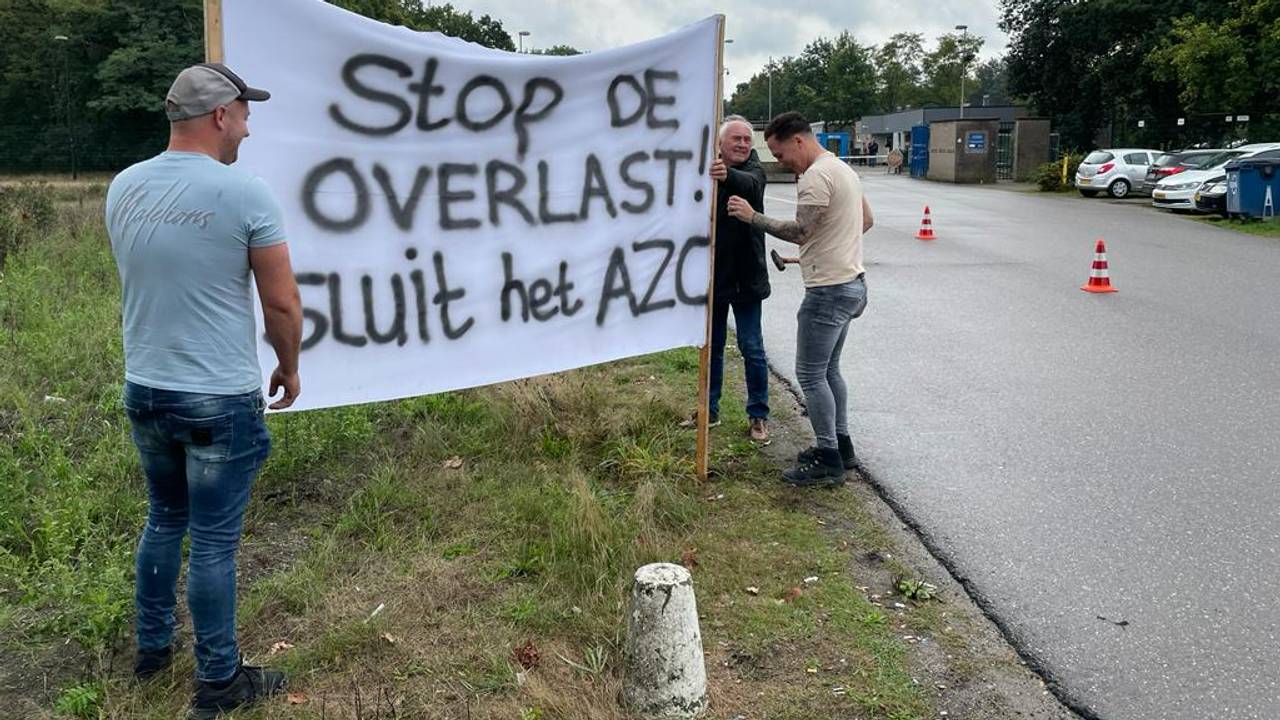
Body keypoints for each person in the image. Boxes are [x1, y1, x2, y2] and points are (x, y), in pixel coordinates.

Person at [105, 62, 302, 719]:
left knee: (164, 518)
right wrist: (289, 365)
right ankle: (219, 682)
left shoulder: (124, 186)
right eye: (244, 115)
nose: (247, 128)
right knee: (215, 541)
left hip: (146, 387)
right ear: (220, 115)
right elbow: (281, 304)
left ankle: (152, 649)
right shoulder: (245, 194)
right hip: (217, 395)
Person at [726, 111, 874, 486]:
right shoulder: (842, 169)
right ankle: (842, 446)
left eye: (779, 154)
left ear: (798, 140)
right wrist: (827, 248)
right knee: (829, 370)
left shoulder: (815, 176)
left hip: (827, 292)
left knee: (810, 374)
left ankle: (827, 457)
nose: (780, 162)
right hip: (852, 284)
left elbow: (799, 232)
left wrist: (752, 217)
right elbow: (865, 220)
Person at [700, 115, 771, 442]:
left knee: (751, 347)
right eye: (736, 139)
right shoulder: (706, 167)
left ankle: (758, 415)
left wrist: (727, 175)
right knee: (711, 347)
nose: (742, 144)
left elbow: (751, 185)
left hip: (747, 278)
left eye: (746, 139)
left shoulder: (754, 170)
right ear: (720, 143)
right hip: (713, 277)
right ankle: (709, 410)